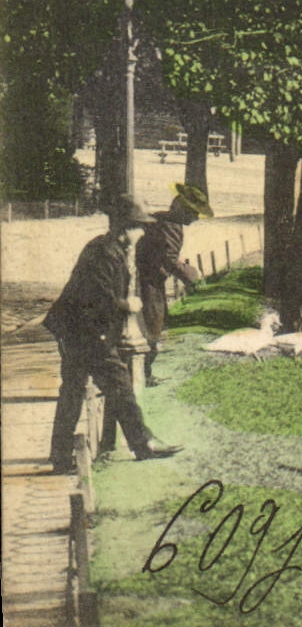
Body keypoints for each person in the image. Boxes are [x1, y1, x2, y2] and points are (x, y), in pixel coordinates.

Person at [44, 195, 183, 472]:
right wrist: (127, 305)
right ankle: (143, 444)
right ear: (125, 228)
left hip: (80, 329)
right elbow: (97, 298)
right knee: (116, 385)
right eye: (139, 227)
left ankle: (60, 457)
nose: (142, 233)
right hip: (84, 331)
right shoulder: (105, 254)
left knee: (73, 390)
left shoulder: (110, 249)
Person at [136, 182, 213, 386]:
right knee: (152, 326)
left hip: (151, 280)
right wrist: (193, 278)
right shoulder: (170, 226)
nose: (196, 218)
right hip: (149, 283)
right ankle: (143, 375)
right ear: (182, 210)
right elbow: (169, 259)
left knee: (152, 326)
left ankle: (144, 373)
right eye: (193, 213)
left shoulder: (162, 219)